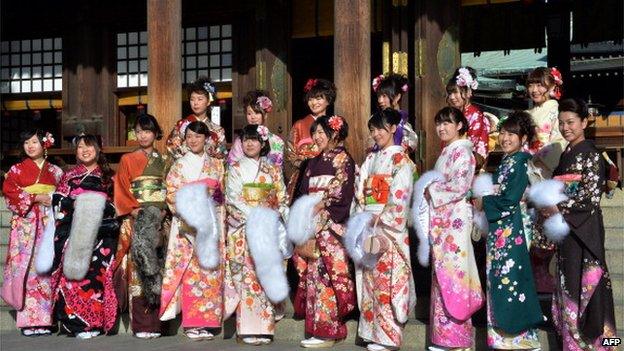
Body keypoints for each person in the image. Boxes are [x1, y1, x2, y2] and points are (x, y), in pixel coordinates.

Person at [543, 98, 616, 350]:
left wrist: (558, 207)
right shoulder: (566, 154)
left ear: (584, 122)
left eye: (571, 122)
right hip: (567, 232)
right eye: (561, 123)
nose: (565, 128)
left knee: (591, 291)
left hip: (584, 231)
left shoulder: (592, 154)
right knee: (568, 288)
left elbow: (589, 197)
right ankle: (571, 344)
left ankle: (607, 344)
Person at [413, 107, 483, 351]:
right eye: (439, 124)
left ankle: (458, 339)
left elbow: (461, 185)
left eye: (447, 123)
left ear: (460, 126)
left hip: (455, 222)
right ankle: (444, 337)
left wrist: (431, 190)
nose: (441, 128)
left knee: (455, 275)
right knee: (442, 275)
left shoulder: (463, 152)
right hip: (443, 221)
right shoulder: (447, 152)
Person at [474, 111, 543, 349]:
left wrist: (485, 202)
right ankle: (503, 340)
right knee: (500, 280)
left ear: (523, 137)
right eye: (502, 132)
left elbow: (511, 198)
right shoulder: (507, 160)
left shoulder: (521, 161)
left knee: (511, 279)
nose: (505, 138)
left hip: (513, 229)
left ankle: (520, 340)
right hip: (502, 228)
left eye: (511, 133)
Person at [352, 109, 416, 351]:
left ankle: (388, 337)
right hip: (370, 222)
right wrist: (364, 215)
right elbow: (361, 190)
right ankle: (370, 331)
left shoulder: (401, 160)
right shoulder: (370, 159)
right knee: (370, 280)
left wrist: (382, 216)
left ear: (393, 128)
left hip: (388, 227)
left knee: (387, 281)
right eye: (372, 130)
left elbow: (400, 195)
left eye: (380, 128)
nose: (376, 134)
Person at [290, 115, 357, 348]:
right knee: (313, 276)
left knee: (328, 275)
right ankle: (317, 328)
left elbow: (341, 192)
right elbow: (302, 191)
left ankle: (330, 330)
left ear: (334, 134)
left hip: (330, 226)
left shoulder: (343, 159)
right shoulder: (313, 161)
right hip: (312, 222)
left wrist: (319, 208)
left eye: (321, 133)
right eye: (315, 132)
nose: (316, 137)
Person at [223, 124, 291, 345]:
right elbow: (233, 197)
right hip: (245, 228)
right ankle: (247, 328)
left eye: (254, 140)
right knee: (247, 276)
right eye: (245, 139)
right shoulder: (235, 168)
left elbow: (281, 198)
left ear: (263, 144)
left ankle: (265, 327)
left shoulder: (273, 169)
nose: (249, 143)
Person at [160, 121, 226, 340]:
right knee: (191, 272)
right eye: (189, 136)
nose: (193, 140)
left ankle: (208, 322)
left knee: (209, 271)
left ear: (206, 139)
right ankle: (192, 323)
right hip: (187, 225)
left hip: (211, 223)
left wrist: (215, 197)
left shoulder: (217, 165)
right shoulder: (179, 166)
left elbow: (222, 194)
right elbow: (171, 194)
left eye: (198, 136)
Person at [50, 135, 119, 339]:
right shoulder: (69, 176)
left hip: (100, 235)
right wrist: (78, 206)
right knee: (74, 277)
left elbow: (117, 205)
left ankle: (96, 323)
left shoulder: (108, 178)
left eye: (89, 146)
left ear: (99, 149)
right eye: (81, 147)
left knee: (96, 277)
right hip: (75, 232)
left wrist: (98, 207)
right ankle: (77, 325)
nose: (85, 150)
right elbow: (59, 202)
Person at [1, 130, 62, 336]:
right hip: (25, 225)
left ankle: (46, 320)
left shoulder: (55, 171)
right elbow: (10, 191)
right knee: (26, 269)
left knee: (45, 267)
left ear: (44, 145)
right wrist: (35, 197)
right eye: (26, 142)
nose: (30, 146)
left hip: (48, 221)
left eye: (34, 141)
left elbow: (63, 194)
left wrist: (51, 197)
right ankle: (28, 321)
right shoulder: (16, 170)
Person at [113, 114, 169, 339]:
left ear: (155, 133)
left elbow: (169, 187)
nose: (143, 135)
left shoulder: (165, 160)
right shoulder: (127, 159)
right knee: (138, 270)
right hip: (136, 217)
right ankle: (142, 324)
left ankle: (157, 323)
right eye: (138, 131)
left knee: (159, 266)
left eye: (147, 131)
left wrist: (165, 208)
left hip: (160, 218)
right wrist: (133, 210)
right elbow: (121, 188)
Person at [525, 66, 567, 294]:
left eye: (540, 84)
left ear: (552, 87)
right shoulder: (530, 114)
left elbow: (558, 144)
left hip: (544, 176)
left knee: (546, 234)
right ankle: (536, 279)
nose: (534, 89)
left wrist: (534, 156)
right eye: (531, 84)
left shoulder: (555, 111)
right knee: (532, 232)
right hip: (529, 176)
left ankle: (547, 279)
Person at [286, 78, 336, 203]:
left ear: (328, 100)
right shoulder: (299, 125)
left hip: (328, 176)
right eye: (310, 99)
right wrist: (305, 165)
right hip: (303, 177)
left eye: (318, 98)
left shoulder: (334, 124)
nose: (314, 103)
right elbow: (289, 154)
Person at [166, 76, 227, 159]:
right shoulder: (181, 125)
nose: (195, 103)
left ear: (208, 101)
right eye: (192, 99)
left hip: (208, 170)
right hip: (185, 168)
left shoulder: (218, 130)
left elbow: (222, 155)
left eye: (200, 99)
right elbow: (171, 147)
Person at [445, 67, 490, 170]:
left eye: (456, 92)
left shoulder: (476, 115)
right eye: (450, 93)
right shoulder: (452, 114)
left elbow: (468, 144)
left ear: (468, 92)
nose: (452, 97)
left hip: (469, 165)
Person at [227, 90, 285, 167]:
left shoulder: (277, 141)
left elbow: (278, 169)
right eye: (249, 113)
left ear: (265, 115)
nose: (253, 117)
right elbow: (232, 165)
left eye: (257, 113)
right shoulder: (240, 141)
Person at [372, 73, 418, 154]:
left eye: (384, 96)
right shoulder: (375, 120)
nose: (380, 100)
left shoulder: (403, 124)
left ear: (397, 97)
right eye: (379, 96)